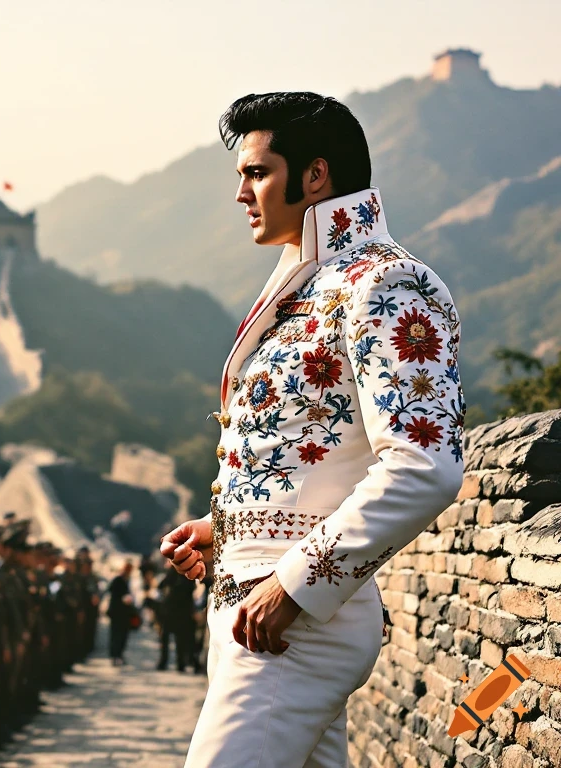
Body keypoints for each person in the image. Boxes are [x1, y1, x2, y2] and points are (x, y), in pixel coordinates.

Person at [160, 92, 465, 767]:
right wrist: (228, 531)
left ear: (316, 175)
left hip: (297, 621)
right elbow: (316, 451)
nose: (241, 193)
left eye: (257, 173)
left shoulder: (386, 285)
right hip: (262, 611)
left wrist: (294, 583)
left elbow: (426, 465)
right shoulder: (311, 282)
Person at [156, 559, 199, 673]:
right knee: (180, 639)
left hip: (169, 610)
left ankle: (163, 662)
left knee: (165, 638)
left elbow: (161, 586)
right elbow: (191, 594)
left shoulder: (172, 572)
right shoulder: (188, 575)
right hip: (182, 611)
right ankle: (180, 664)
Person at [106, 561, 135, 666]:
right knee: (115, 635)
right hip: (116, 612)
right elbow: (111, 592)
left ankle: (119, 655)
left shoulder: (127, 580)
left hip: (124, 613)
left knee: (123, 635)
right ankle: (114, 656)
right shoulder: (117, 579)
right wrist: (121, 598)